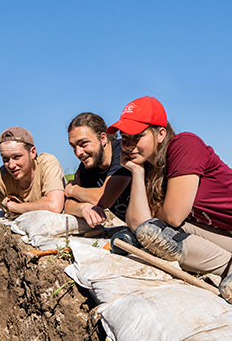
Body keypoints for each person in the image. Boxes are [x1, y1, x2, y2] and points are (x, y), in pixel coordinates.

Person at [107, 96, 232, 304]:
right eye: (125, 138)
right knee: (155, 233)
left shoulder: (185, 144)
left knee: (168, 225)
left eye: (137, 137)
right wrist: (136, 173)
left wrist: (157, 215)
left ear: (161, 134)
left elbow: (173, 215)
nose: (128, 146)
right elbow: (142, 226)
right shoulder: (148, 167)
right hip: (224, 235)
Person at [64, 112, 132, 228]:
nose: (78, 152)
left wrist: (72, 190)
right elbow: (68, 206)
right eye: (73, 147)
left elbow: (103, 198)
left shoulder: (123, 152)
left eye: (83, 143)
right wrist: (83, 207)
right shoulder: (87, 167)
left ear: (103, 138)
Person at [0, 126, 65, 216]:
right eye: (5, 159)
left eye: (16, 157)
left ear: (32, 152)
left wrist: (14, 207)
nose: (11, 165)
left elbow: (54, 206)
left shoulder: (47, 164)